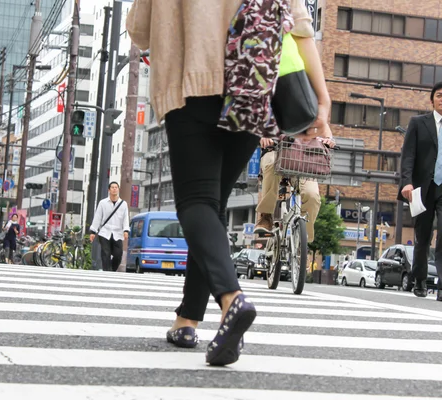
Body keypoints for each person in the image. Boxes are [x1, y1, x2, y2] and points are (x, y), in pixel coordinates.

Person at [127, 0, 332, 366]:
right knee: (213, 205)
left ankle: (230, 300)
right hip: (253, 88)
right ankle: (187, 319)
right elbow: (300, 29)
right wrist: (322, 102)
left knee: (196, 202)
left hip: (192, 86)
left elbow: (139, 30)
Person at [399, 81, 442, 301]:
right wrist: (407, 182)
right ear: (432, 99)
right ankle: (420, 281)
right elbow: (408, 156)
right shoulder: (418, 123)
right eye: (440, 96)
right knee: (423, 237)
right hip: (423, 188)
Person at [89, 182, 130, 272]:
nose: (114, 189)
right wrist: (93, 232)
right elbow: (97, 217)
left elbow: (125, 218)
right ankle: (107, 271)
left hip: (118, 233)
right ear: (109, 190)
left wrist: (126, 230)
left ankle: (111, 270)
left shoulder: (123, 204)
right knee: (105, 253)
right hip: (104, 232)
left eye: (116, 187)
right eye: (112, 187)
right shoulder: (103, 203)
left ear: (118, 189)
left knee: (118, 254)